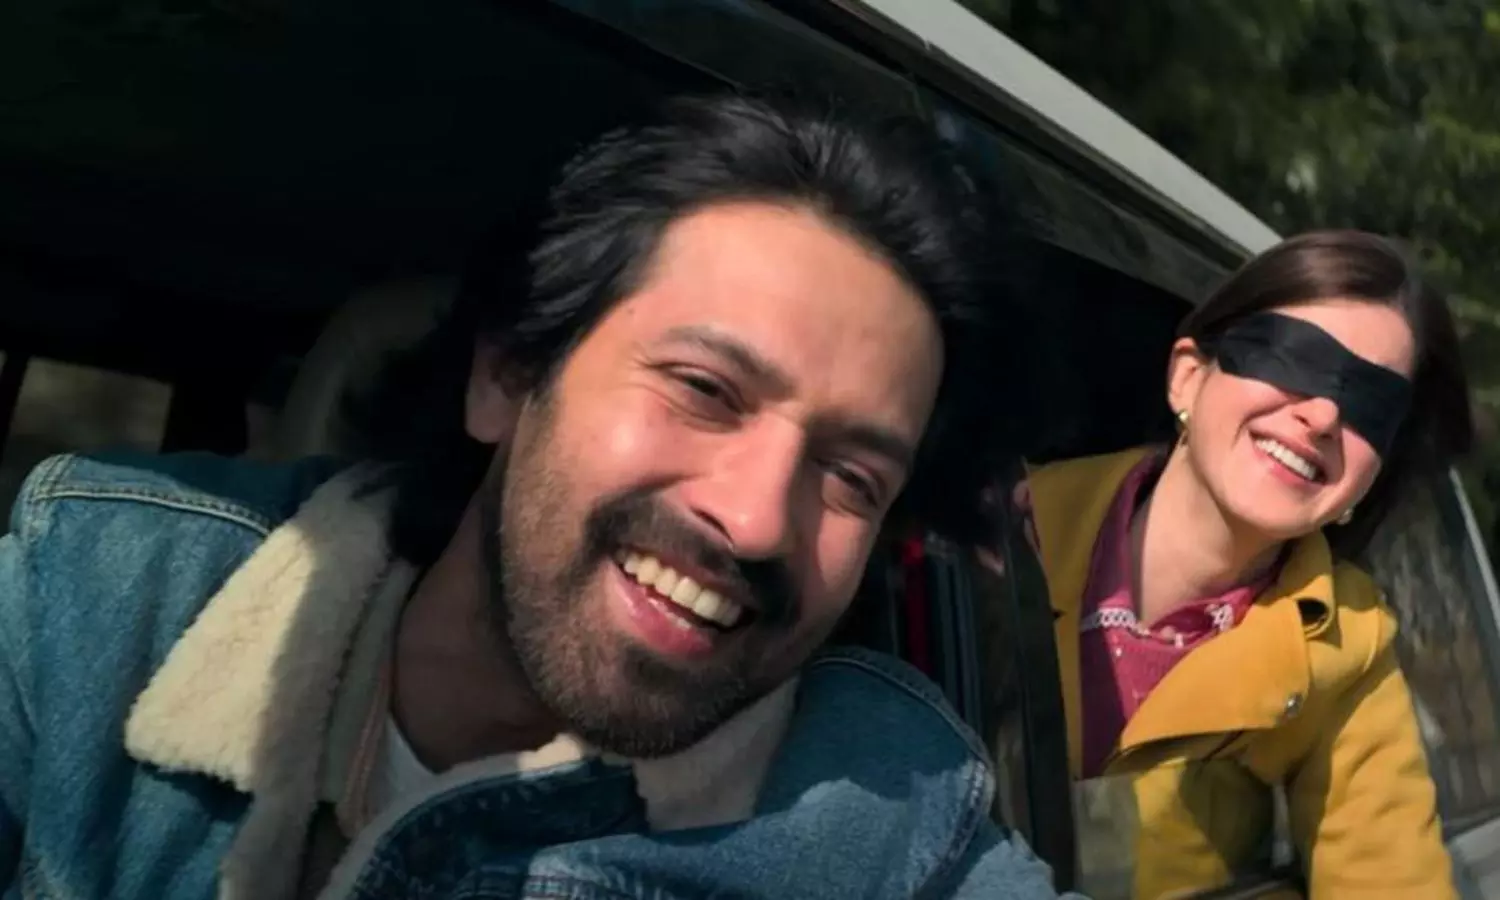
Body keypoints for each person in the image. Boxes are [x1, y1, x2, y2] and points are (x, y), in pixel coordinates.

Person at [0, 92, 1078, 900]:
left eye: (851, 478)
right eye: (704, 390)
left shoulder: (888, 821)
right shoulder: (100, 593)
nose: (756, 521)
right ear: (509, 374)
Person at [1015, 230, 1473, 899]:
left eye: (1369, 404)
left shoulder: (1348, 650)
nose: (1323, 414)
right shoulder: (991, 527)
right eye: (1297, 357)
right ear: (1189, 375)